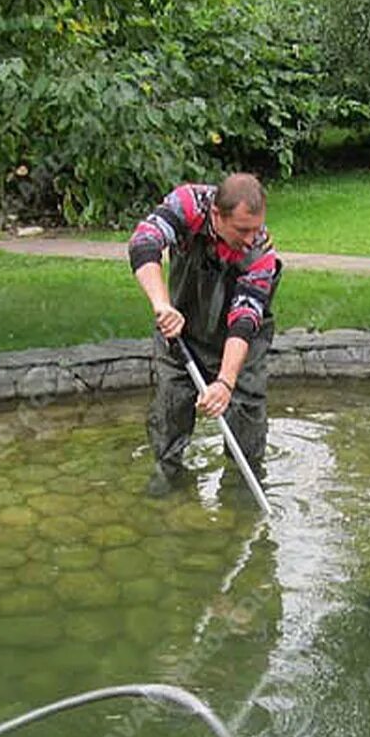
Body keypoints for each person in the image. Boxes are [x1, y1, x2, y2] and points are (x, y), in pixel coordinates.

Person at [128, 173, 282, 496]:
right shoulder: (186, 206)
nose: (252, 238)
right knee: (172, 404)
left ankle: (242, 488)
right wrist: (162, 306)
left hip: (241, 343)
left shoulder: (261, 255)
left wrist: (225, 382)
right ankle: (169, 478)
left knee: (245, 410)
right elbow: (144, 242)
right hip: (182, 327)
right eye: (242, 230)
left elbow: (244, 318)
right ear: (216, 215)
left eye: (257, 228)